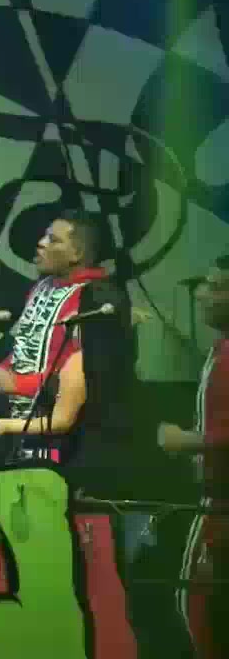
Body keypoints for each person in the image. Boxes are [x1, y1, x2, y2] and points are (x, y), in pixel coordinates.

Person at [0, 210, 134, 495]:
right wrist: (3, 369)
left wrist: (21, 384)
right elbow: (26, 341)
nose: (41, 243)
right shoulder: (41, 287)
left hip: (69, 439)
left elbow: (92, 372)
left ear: (77, 253)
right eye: (44, 236)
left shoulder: (98, 297)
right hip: (22, 422)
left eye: (53, 240)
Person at [158, 256, 229, 659]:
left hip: (221, 507)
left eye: (217, 287)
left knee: (200, 609)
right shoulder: (221, 349)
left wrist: (187, 441)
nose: (202, 294)